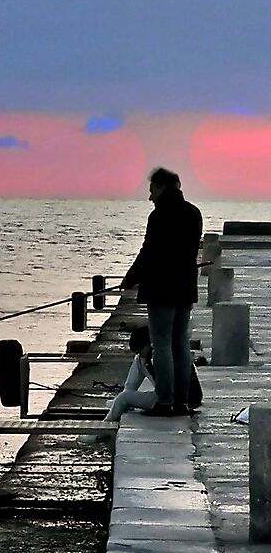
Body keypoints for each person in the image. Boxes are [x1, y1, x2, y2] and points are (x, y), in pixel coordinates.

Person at [119, 166, 203, 415]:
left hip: (162, 290)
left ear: (162, 187)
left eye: (152, 190)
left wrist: (130, 278)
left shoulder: (158, 216)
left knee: (161, 344)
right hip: (185, 288)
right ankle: (182, 401)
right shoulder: (194, 213)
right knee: (180, 343)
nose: (150, 196)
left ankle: (164, 401)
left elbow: (149, 252)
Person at [106, 327, 159, 423]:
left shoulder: (157, 357)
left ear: (148, 345)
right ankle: (122, 402)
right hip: (160, 395)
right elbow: (131, 385)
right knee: (120, 399)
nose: (140, 355)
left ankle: (106, 423)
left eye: (140, 351)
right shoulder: (142, 358)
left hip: (163, 399)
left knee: (122, 399)